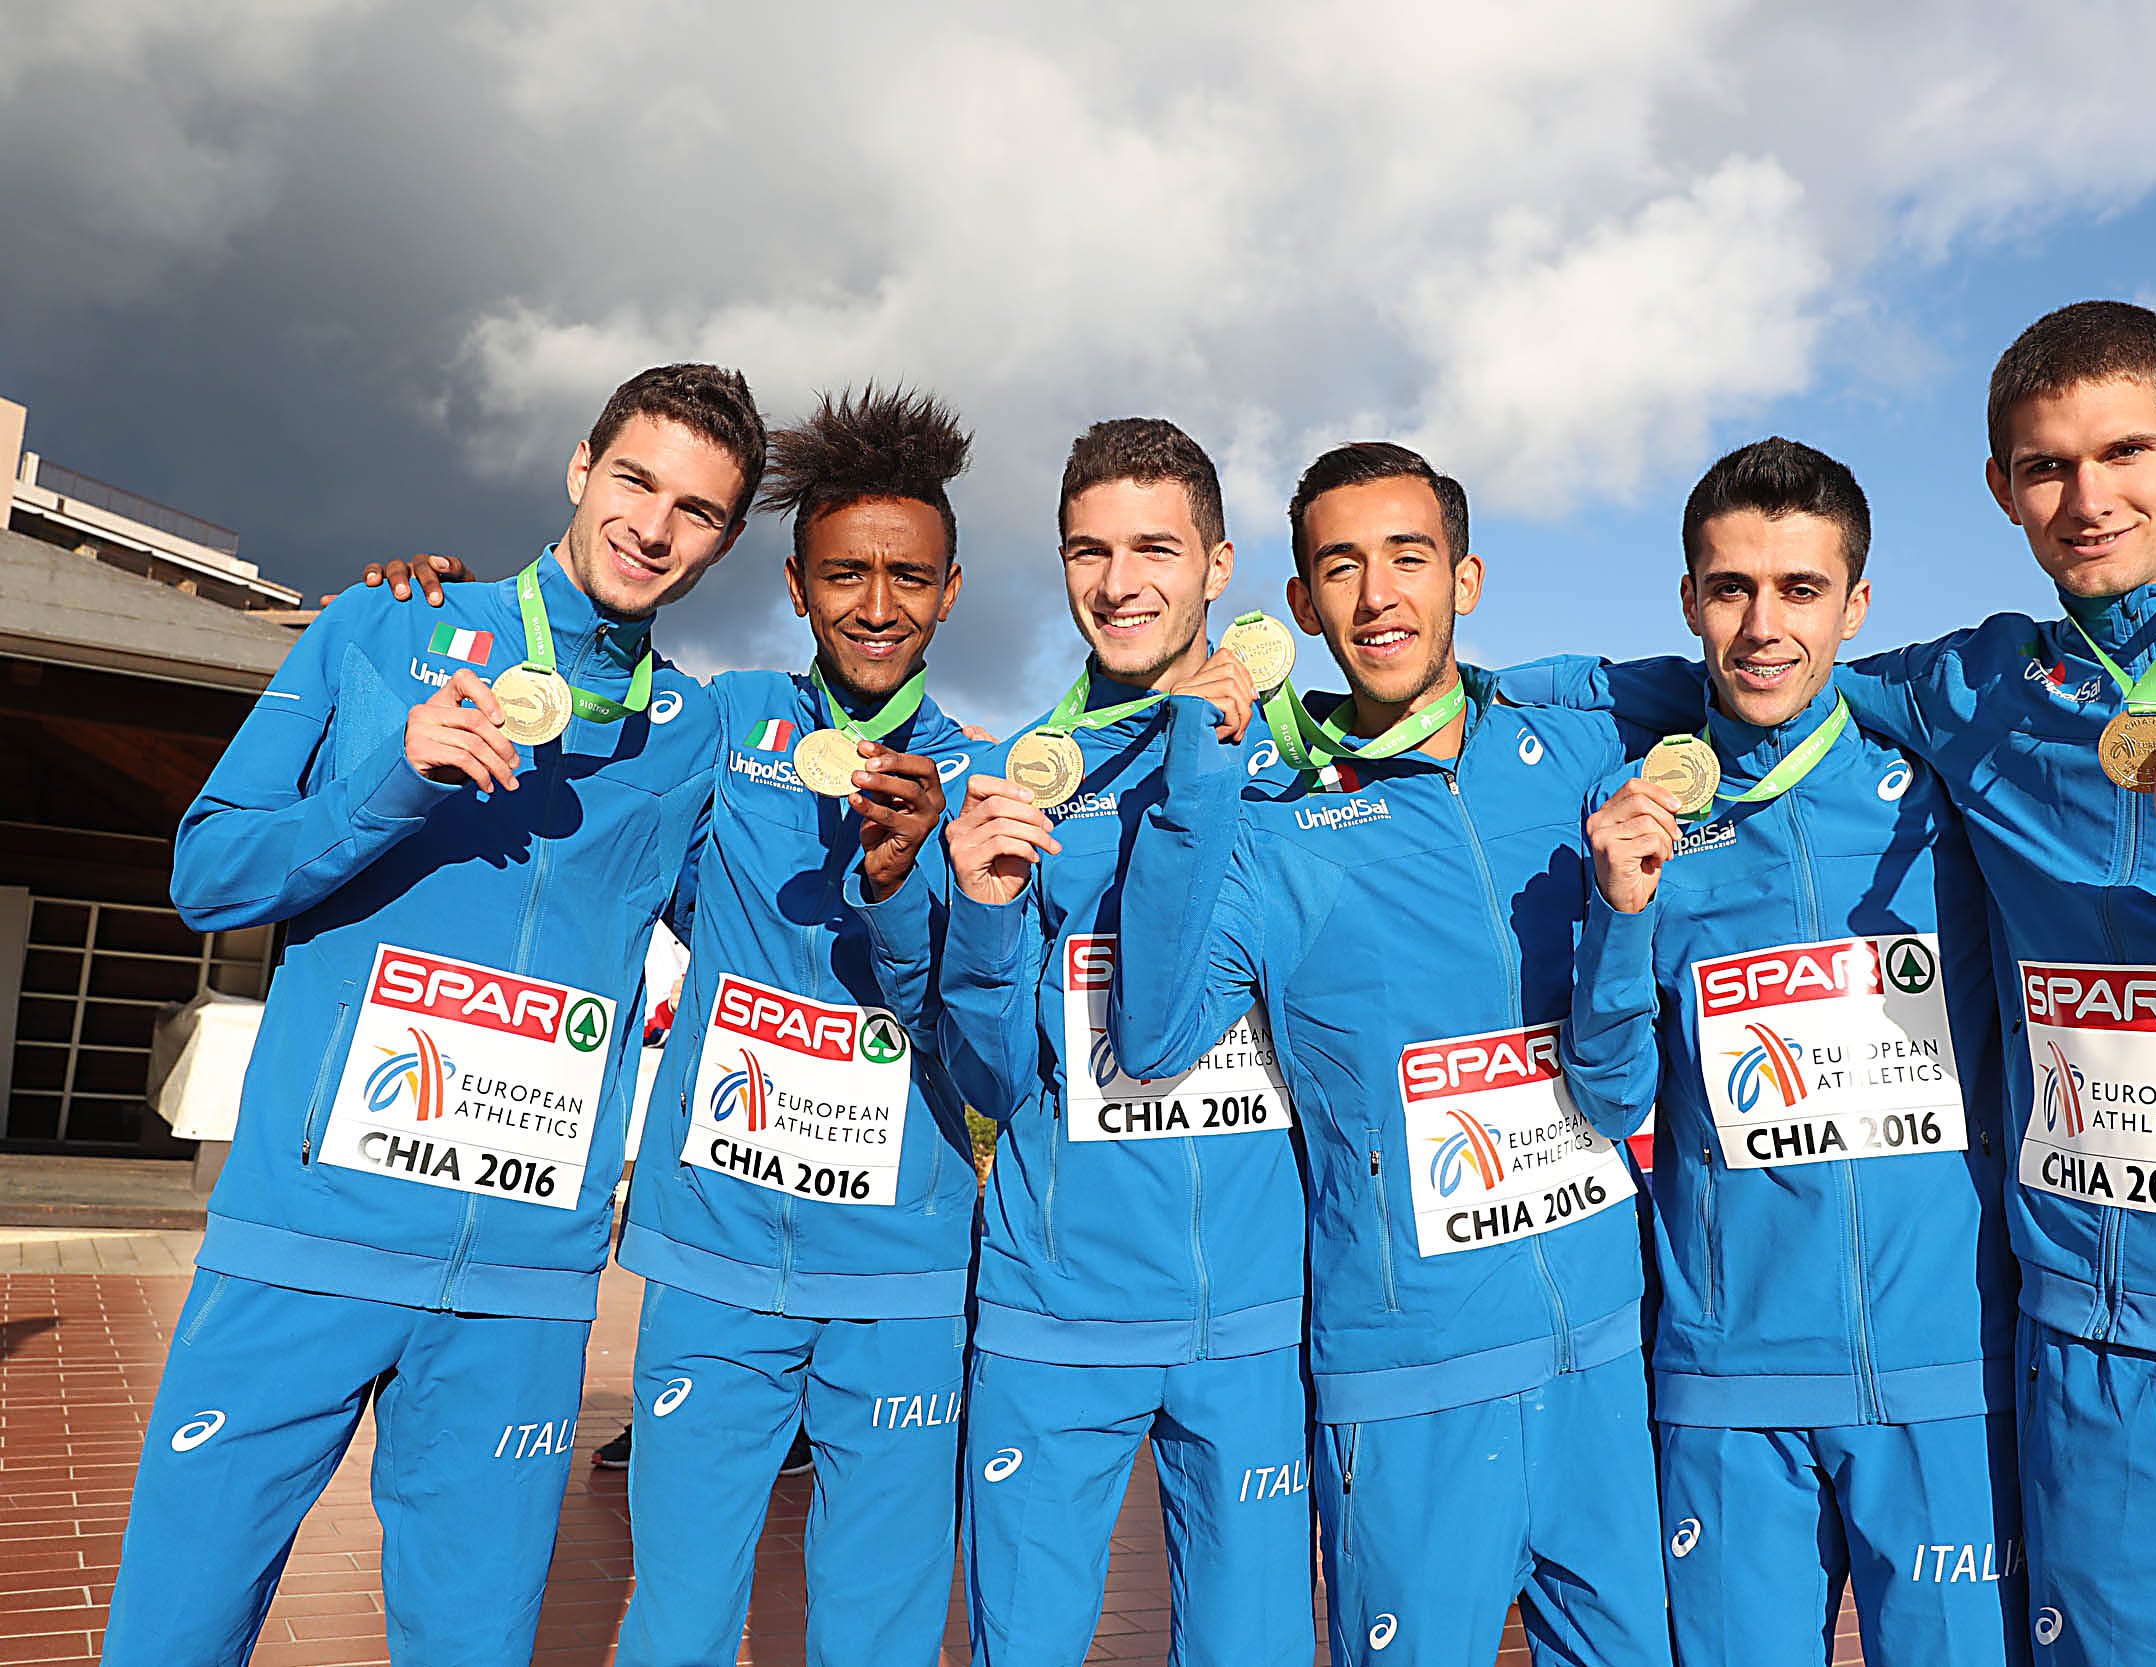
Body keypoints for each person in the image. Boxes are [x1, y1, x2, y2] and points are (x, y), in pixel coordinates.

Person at [1516, 299, 2156, 1661]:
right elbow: (1755, 675)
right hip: (2100, 1367)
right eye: (2047, 466)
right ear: (2001, 487)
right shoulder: (1975, 688)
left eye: (2125, 451)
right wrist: (1415, 689)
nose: (2088, 499)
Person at [101, 363, 763, 1667]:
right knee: (172, 1634)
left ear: (725, 540)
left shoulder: (691, 732)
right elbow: (210, 874)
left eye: (695, 509)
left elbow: (759, 954)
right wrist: (393, 774)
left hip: (520, 1290)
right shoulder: (381, 624)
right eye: (634, 480)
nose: (651, 525)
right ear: (580, 468)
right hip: (304, 1243)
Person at [1110, 443, 1672, 1667]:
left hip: (1601, 1353)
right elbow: (1151, 1035)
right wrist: (1197, 774)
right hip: (1409, 1377)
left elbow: (1760, 674)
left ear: (1465, 578)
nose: (1377, 597)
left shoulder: (1578, 750)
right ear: (1300, 603)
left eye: (1408, 558)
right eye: (1341, 568)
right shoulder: (1270, 823)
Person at [1563, 437, 2025, 1664]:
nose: (1763, 625)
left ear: (1855, 604)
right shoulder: (1633, 815)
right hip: (1729, 1387)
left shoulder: (1942, 789)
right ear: (1688, 600)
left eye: (1800, 589)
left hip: (1945, 1375)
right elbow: (1608, 1094)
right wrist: (1618, 913)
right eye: (1731, 588)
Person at [860, 418, 1313, 1667]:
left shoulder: (1308, 769)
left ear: (1218, 565)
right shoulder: (1014, 777)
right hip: (1053, 1311)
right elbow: (991, 1078)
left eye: (1154, 549)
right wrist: (986, 912)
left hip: (1255, 1318)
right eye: (1087, 551)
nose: (1118, 584)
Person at [608, 386, 981, 1667]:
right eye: (844, 573)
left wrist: (906, 884)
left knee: (877, 1632)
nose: (876, 604)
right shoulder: (723, 725)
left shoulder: (983, 780)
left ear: (949, 591)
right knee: (677, 1619)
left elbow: (982, 1043)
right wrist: (443, 609)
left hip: (901, 1276)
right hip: (715, 1259)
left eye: (908, 576)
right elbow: (590, 760)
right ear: (796, 583)